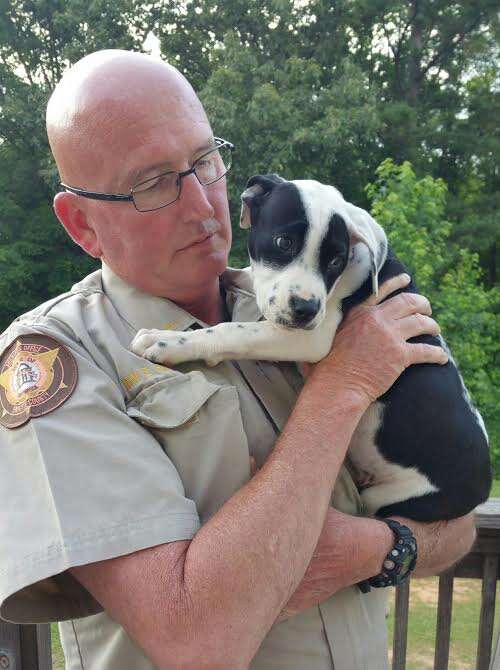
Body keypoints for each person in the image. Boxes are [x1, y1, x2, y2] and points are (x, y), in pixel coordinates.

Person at [0, 50, 476, 670]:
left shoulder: (310, 307)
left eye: (205, 162)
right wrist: (343, 386)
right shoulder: (54, 361)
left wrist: (380, 548)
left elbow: (458, 523)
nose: (202, 204)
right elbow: (196, 640)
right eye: (153, 183)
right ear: (82, 224)